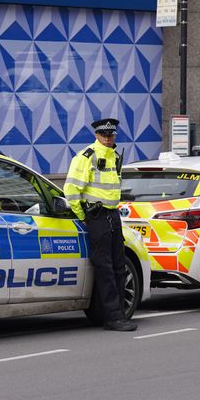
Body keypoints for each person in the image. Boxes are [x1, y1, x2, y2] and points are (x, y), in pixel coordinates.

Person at [64, 118, 137, 332]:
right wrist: (83, 216)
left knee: (119, 266)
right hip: (96, 216)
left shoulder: (114, 156)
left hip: (112, 215)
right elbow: (71, 190)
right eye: (104, 135)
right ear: (97, 135)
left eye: (111, 134)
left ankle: (121, 314)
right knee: (104, 268)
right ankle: (112, 318)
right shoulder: (87, 156)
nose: (107, 138)